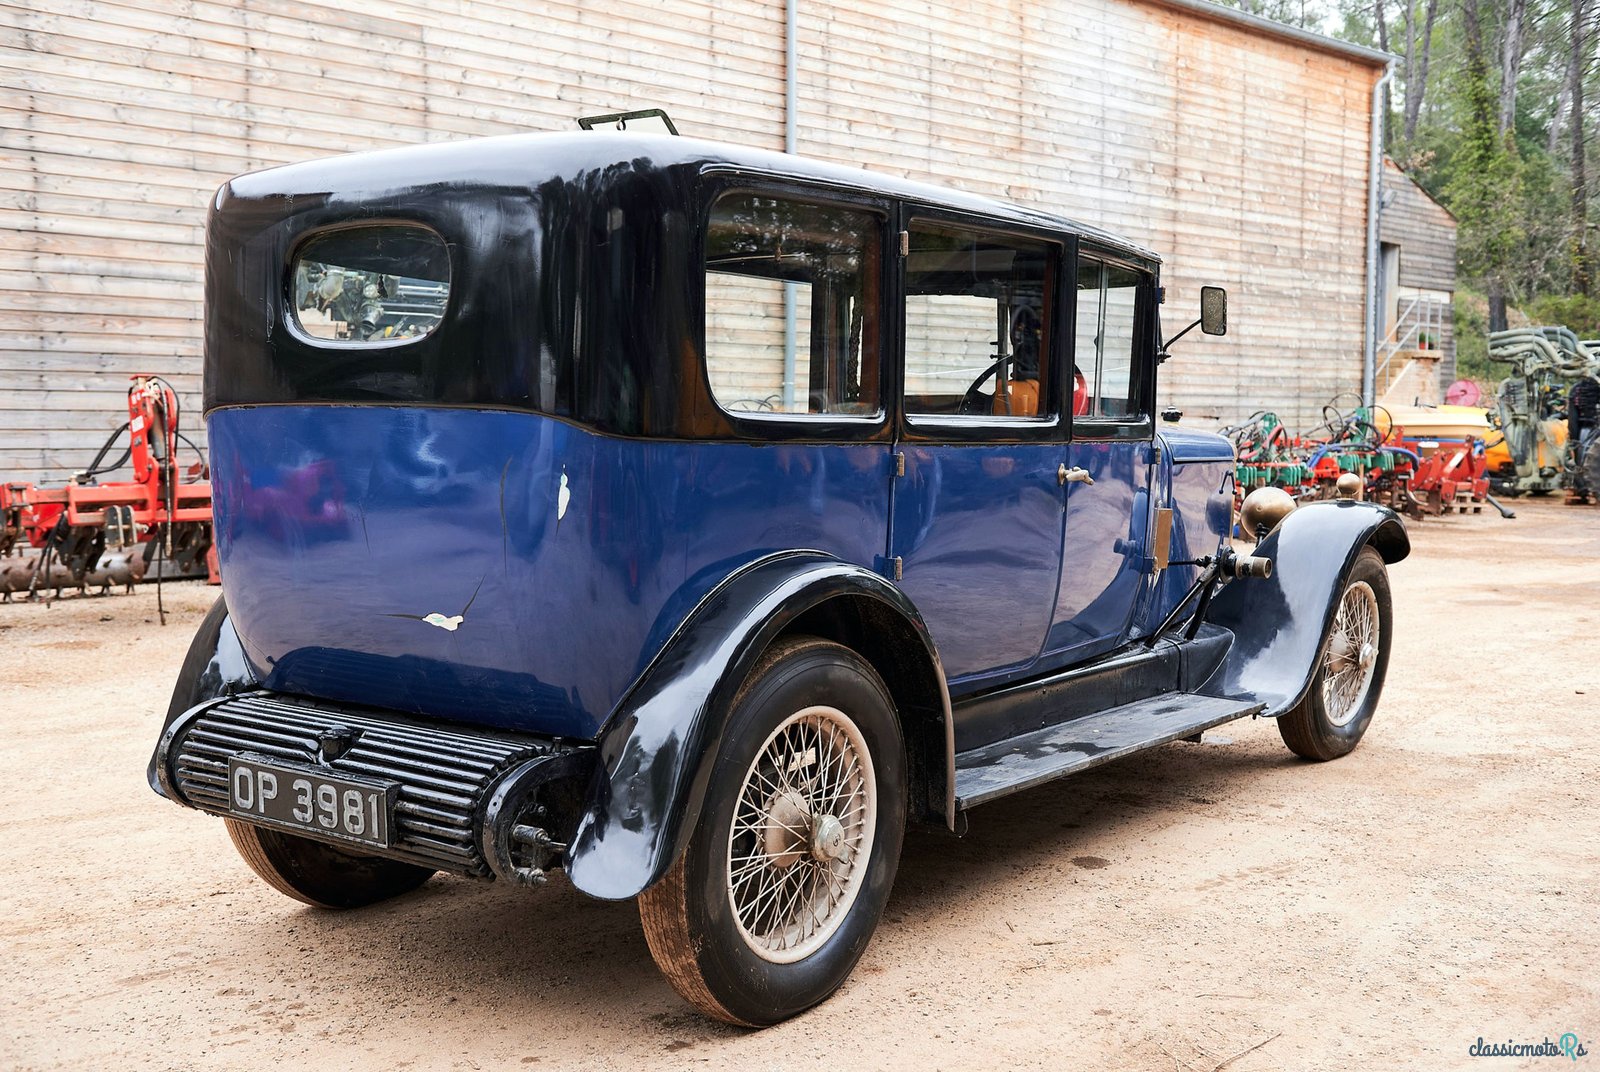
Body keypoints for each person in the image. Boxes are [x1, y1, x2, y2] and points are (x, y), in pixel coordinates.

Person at [1567, 375, 1599, 505]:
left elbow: (1573, 425)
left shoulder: (1577, 388)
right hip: (1588, 429)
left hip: (1585, 430)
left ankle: (1582, 485)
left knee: (1581, 454)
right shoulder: (1578, 389)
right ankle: (1582, 485)